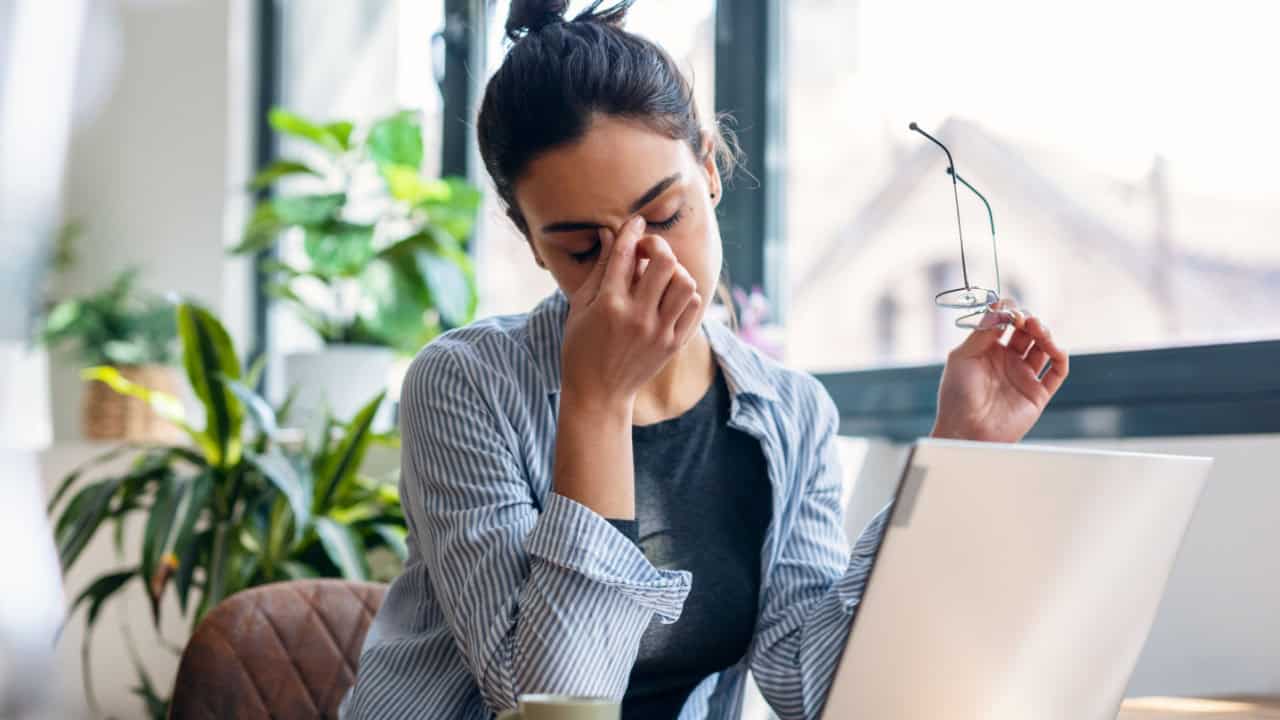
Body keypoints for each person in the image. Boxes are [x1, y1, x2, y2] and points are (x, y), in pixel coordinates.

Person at [342, 1, 1069, 718]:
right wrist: (596, 405)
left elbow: (812, 684)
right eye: (584, 248)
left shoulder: (791, 414)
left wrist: (957, 454)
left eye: (664, 216)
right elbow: (552, 709)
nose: (642, 262)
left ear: (710, 170)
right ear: (531, 241)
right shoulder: (466, 385)